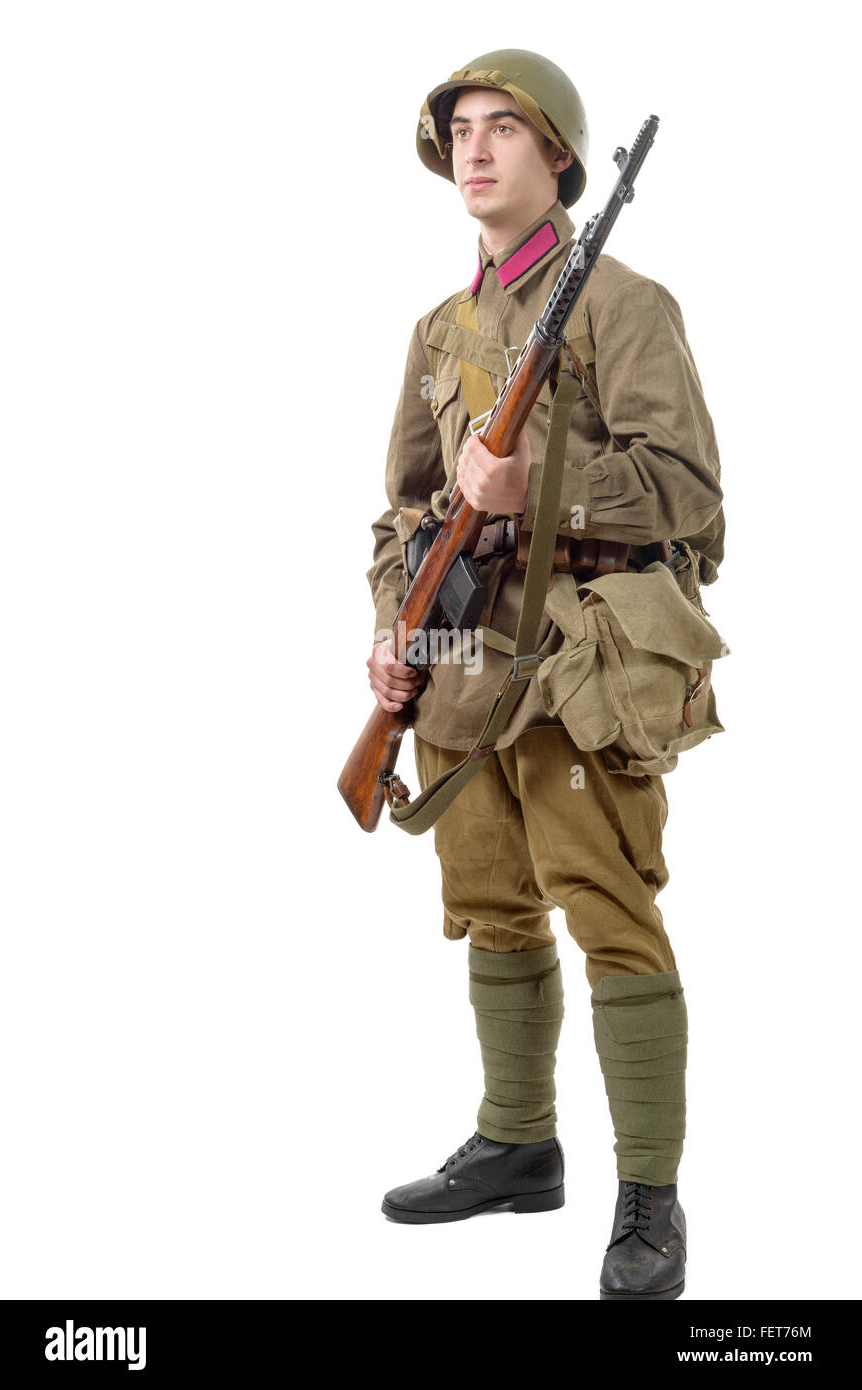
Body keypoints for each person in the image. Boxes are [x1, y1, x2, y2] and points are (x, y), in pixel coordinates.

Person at [363, 48, 724, 1300]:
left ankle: (650, 1200)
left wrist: (537, 490)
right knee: (494, 907)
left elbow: (690, 495)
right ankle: (518, 1142)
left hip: (577, 664)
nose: (475, 148)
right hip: (463, 674)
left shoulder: (623, 304)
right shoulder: (441, 333)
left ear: (559, 156)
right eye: (460, 129)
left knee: (607, 905)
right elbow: (403, 509)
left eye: (504, 128)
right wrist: (392, 628)